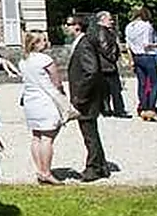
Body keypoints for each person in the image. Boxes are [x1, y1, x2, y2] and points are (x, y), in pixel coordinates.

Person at [18, 31, 71, 183]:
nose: (46, 43)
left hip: (30, 100)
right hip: (45, 99)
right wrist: (62, 96)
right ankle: (46, 172)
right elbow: (57, 81)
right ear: (35, 44)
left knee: (36, 137)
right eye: (43, 41)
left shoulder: (24, 60)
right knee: (47, 137)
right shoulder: (45, 59)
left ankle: (40, 170)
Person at [65, 16, 111, 180]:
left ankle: (93, 168)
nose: (66, 27)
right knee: (91, 133)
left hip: (87, 98)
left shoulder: (84, 44)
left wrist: (80, 97)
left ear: (78, 26)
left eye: (69, 24)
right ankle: (101, 165)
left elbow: (91, 72)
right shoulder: (81, 43)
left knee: (89, 134)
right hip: (86, 96)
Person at [125, 7, 157, 121]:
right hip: (148, 56)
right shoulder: (146, 25)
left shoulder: (129, 27)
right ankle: (151, 108)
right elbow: (146, 43)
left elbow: (128, 45)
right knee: (154, 83)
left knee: (142, 83)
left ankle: (143, 107)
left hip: (137, 56)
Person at [95, 11, 126, 117]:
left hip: (104, 64)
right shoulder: (102, 31)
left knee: (106, 90)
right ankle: (119, 110)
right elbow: (105, 47)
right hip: (107, 65)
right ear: (102, 19)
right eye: (109, 19)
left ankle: (106, 110)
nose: (112, 22)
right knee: (115, 89)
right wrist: (113, 56)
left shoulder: (101, 30)